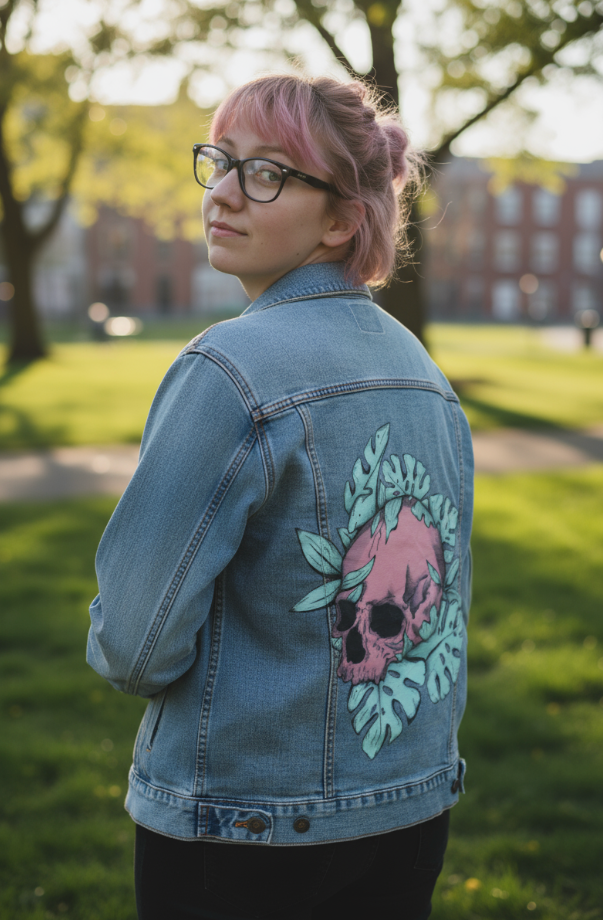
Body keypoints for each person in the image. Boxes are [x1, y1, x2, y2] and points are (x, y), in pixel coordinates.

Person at [87, 73, 474, 920]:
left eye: (265, 173)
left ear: (342, 218)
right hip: (409, 810)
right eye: (220, 162)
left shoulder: (228, 371)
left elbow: (135, 644)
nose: (223, 192)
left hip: (242, 831)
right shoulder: (428, 378)